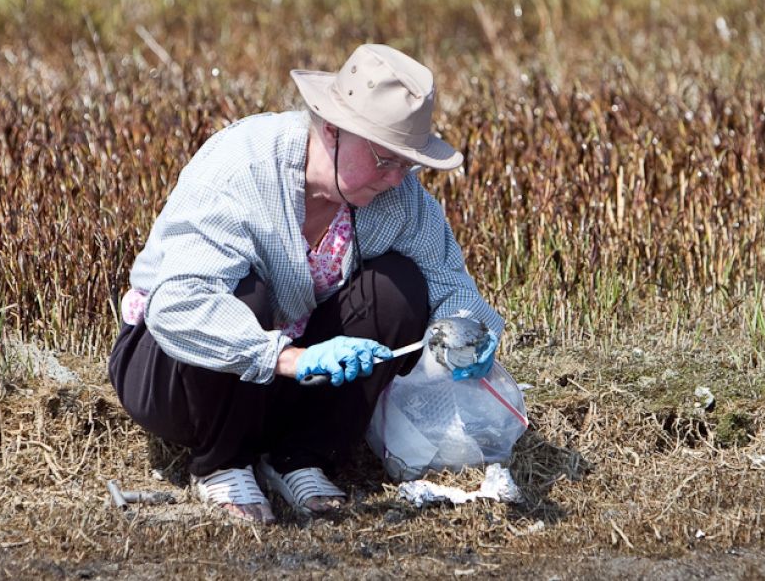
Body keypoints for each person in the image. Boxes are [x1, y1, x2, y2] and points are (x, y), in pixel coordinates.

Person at [108, 44, 503, 525]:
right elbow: (180, 305)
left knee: (398, 287)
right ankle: (222, 461)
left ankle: (298, 456)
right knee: (244, 294)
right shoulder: (243, 168)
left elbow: (452, 286)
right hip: (174, 371)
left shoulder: (396, 197)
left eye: (407, 163)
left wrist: (466, 332)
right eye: (385, 160)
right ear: (333, 130)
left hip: (282, 379)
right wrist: (289, 358)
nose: (398, 179)